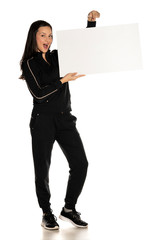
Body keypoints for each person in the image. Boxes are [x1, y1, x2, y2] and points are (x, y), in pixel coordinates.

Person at [20, 10, 100, 230]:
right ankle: (46, 213)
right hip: (42, 121)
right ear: (34, 37)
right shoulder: (29, 64)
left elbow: (81, 46)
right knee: (42, 170)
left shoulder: (57, 56)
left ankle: (69, 209)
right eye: (43, 35)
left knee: (80, 164)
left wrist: (90, 23)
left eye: (50, 35)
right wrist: (62, 79)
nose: (47, 40)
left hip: (65, 119)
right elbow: (39, 93)